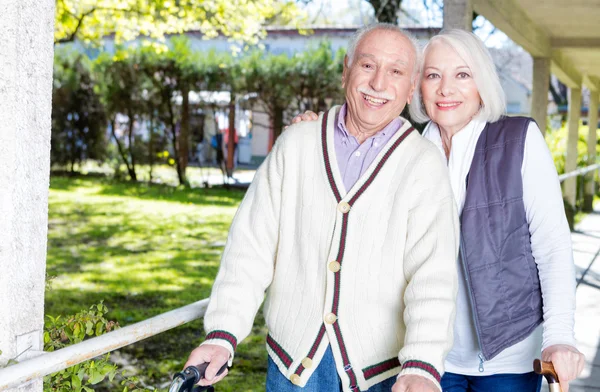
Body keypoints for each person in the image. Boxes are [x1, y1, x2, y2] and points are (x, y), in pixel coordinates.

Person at [293, 28, 586, 392]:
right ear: (418, 86)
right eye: (433, 75)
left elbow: (553, 249)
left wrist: (559, 337)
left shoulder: (519, 140)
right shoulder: (404, 149)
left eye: (462, 74)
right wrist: (310, 132)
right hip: (426, 359)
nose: (446, 89)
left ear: (482, 82)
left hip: (507, 357)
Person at [182, 23, 460, 392]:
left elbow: (433, 276)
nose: (378, 83)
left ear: (411, 89)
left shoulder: (424, 164)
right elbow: (250, 248)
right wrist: (222, 334)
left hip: (381, 375)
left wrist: (422, 364)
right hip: (293, 366)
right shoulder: (296, 144)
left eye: (396, 71)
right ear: (346, 70)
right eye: (367, 66)